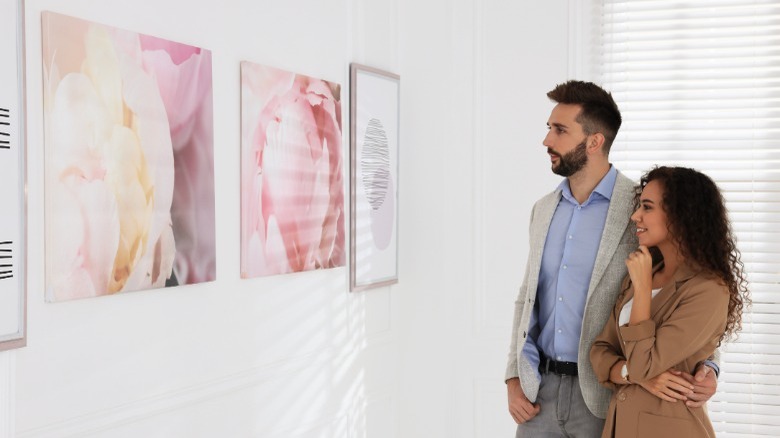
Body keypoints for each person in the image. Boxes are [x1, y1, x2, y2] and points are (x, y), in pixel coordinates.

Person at [505, 81, 719, 437]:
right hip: (537, 394)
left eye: (560, 130)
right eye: (549, 129)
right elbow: (526, 296)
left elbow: (683, 292)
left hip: (608, 394)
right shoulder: (543, 210)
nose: (547, 141)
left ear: (594, 141)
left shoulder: (641, 210)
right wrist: (513, 375)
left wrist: (709, 366)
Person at [590, 166, 749, 437]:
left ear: (680, 215)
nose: (635, 216)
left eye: (647, 207)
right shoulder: (645, 272)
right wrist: (628, 372)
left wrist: (642, 290)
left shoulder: (709, 290)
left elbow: (644, 365)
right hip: (620, 426)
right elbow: (601, 350)